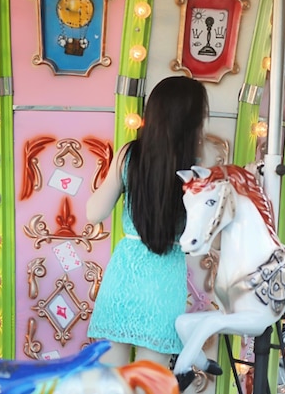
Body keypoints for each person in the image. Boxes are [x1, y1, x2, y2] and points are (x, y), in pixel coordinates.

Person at [85, 76, 215, 379]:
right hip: (164, 279)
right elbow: (208, 235)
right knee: (150, 378)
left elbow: (94, 212)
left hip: (125, 273)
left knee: (108, 377)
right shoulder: (197, 169)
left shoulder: (129, 155)